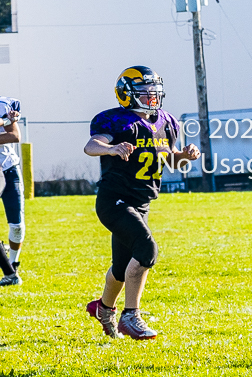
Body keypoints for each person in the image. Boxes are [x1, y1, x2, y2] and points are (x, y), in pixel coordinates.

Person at [84, 66, 200, 339]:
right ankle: (130, 316)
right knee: (147, 250)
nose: (152, 97)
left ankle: (103, 308)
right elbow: (91, 146)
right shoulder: (116, 121)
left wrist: (184, 155)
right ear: (126, 94)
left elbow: (168, 158)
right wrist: (111, 148)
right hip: (114, 199)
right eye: (145, 92)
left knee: (122, 267)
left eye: (154, 91)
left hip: (141, 201)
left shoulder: (167, 122)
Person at [0, 96, 24, 287]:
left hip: (8, 169)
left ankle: (13, 264)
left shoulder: (3, 104)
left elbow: (15, 136)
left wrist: (8, 121)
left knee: (16, 225)